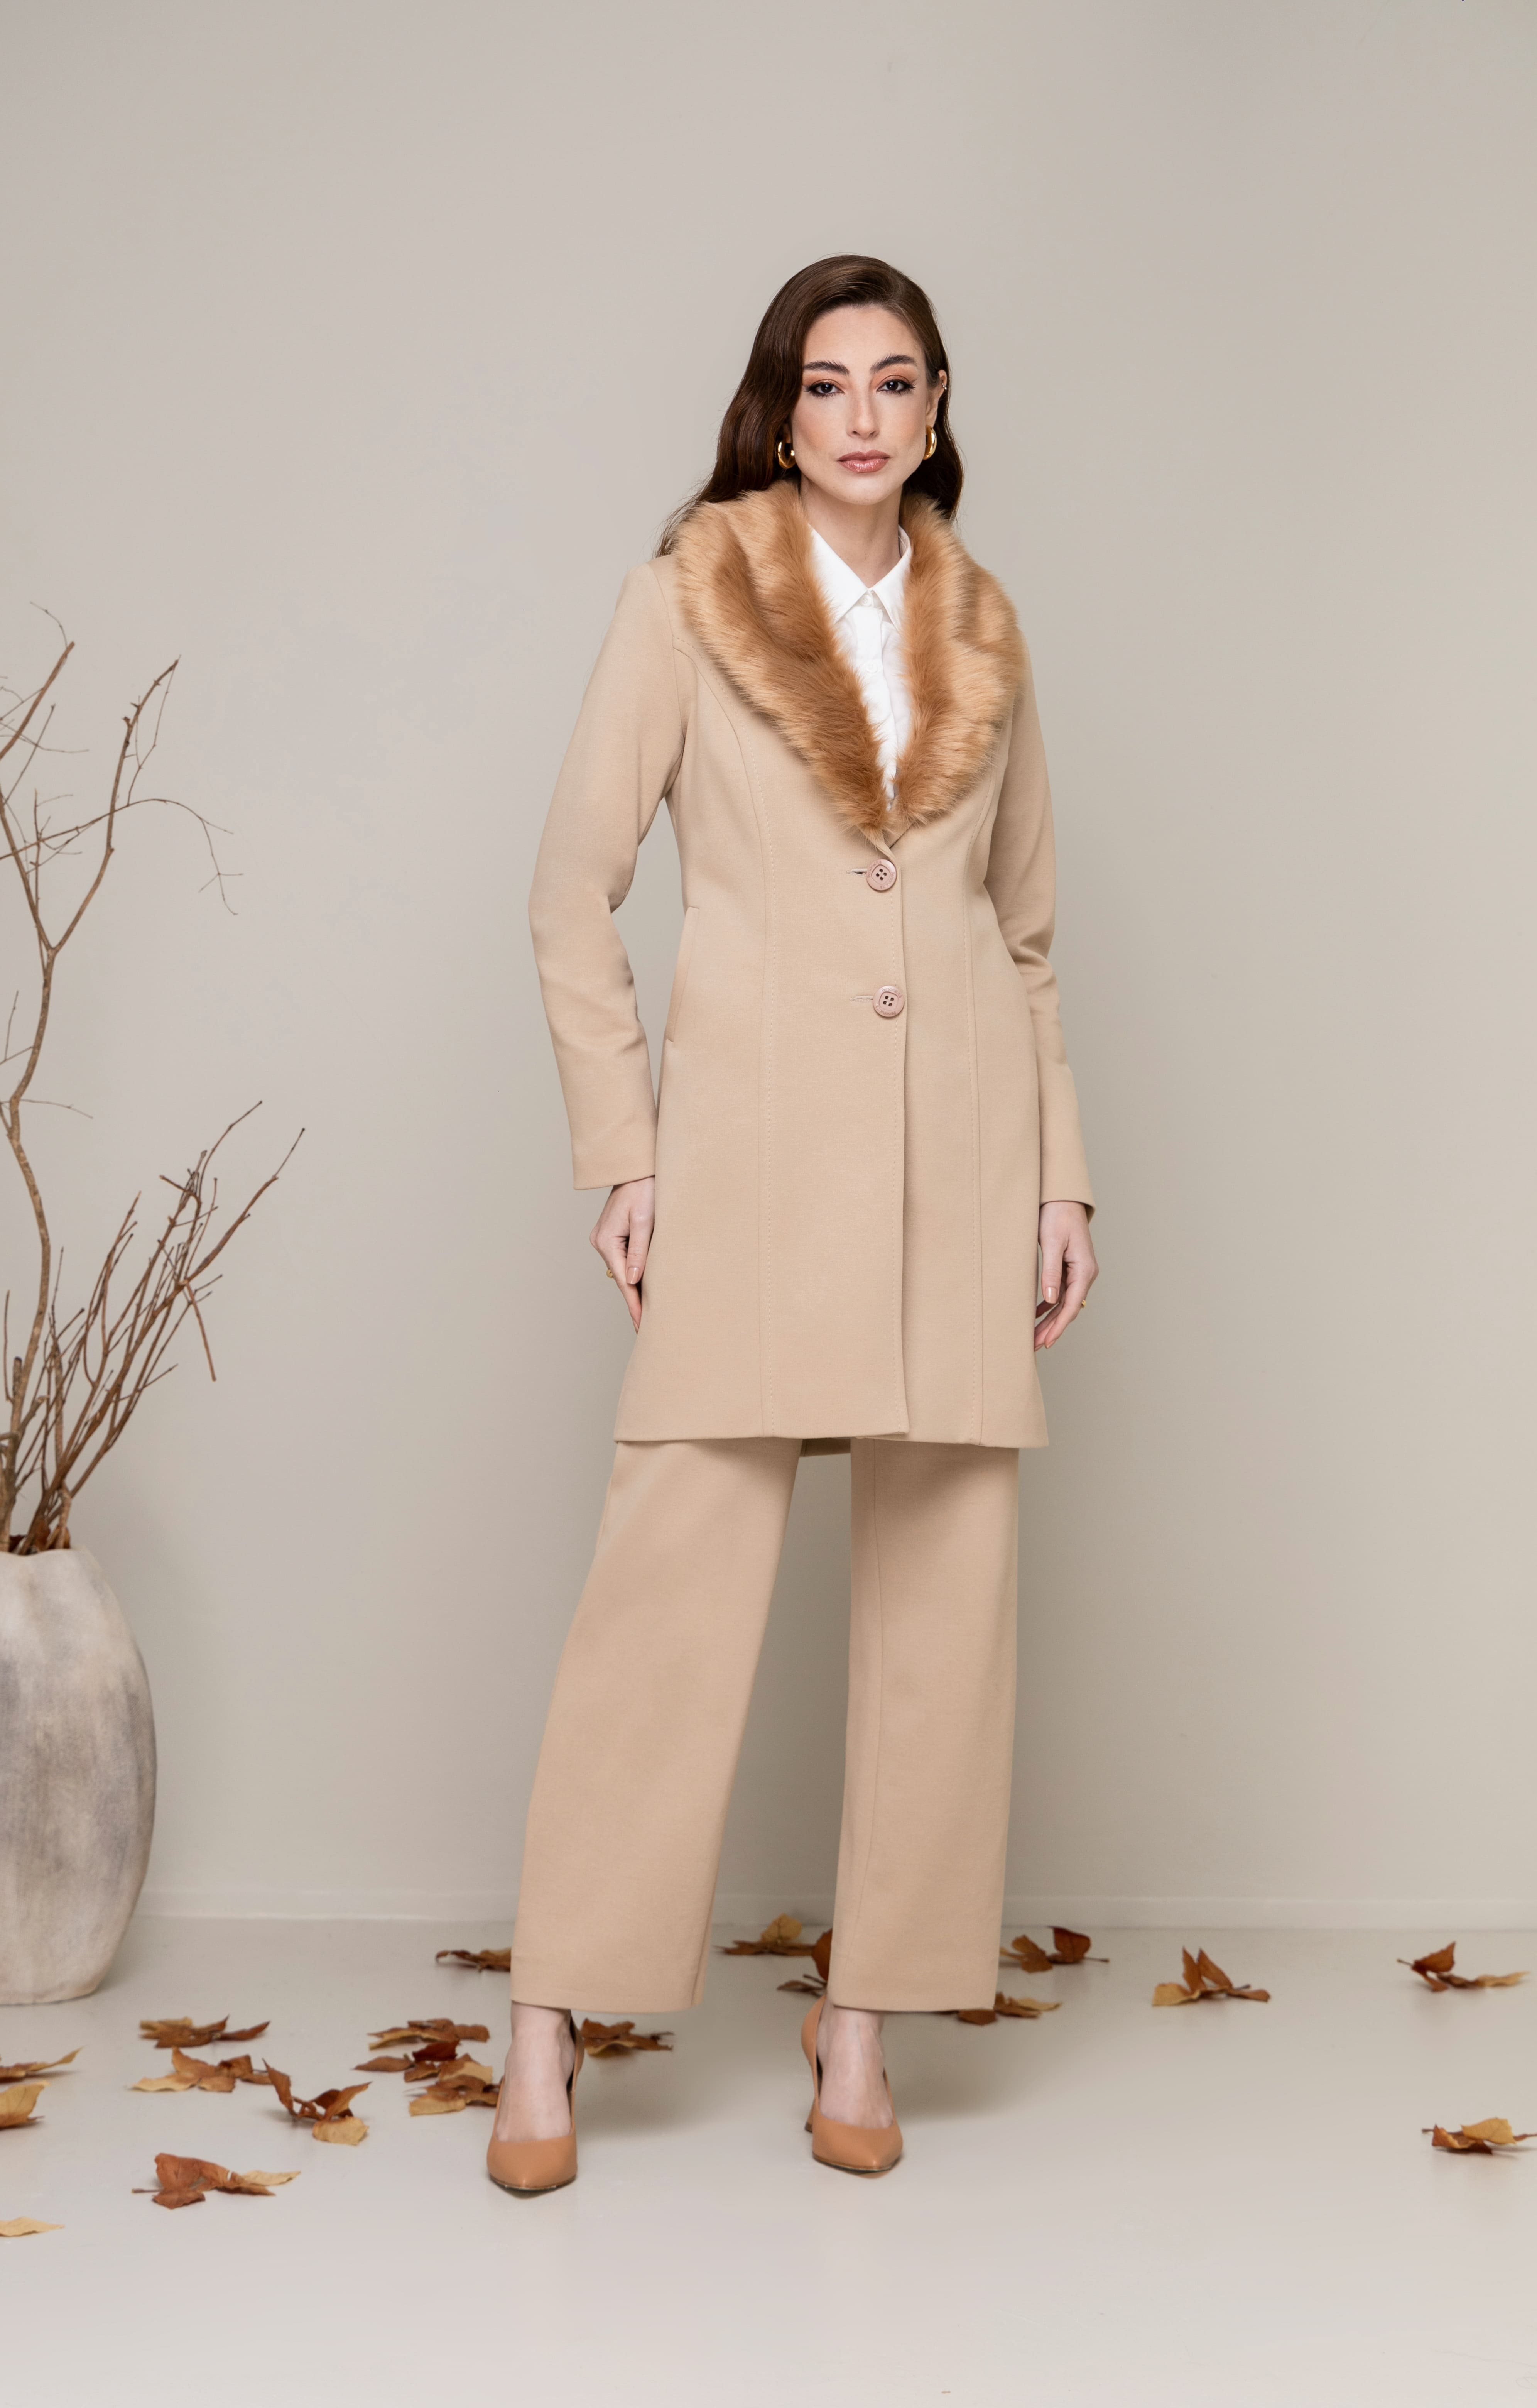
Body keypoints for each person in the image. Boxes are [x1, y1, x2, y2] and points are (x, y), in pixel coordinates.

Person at [488, 255, 1097, 2193]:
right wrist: (626, 1150)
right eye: (825, 381)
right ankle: (548, 2016)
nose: (859, 415)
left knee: (944, 1602)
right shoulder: (683, 598)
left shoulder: (983, 625)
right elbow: (569, 892)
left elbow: (1020, 936)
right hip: (749, 1159)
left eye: (893, 381)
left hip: (958, 1158)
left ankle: (864, 2020)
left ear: (933, 409)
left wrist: (1058, 1176)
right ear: (778, 406)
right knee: (666, 1592)